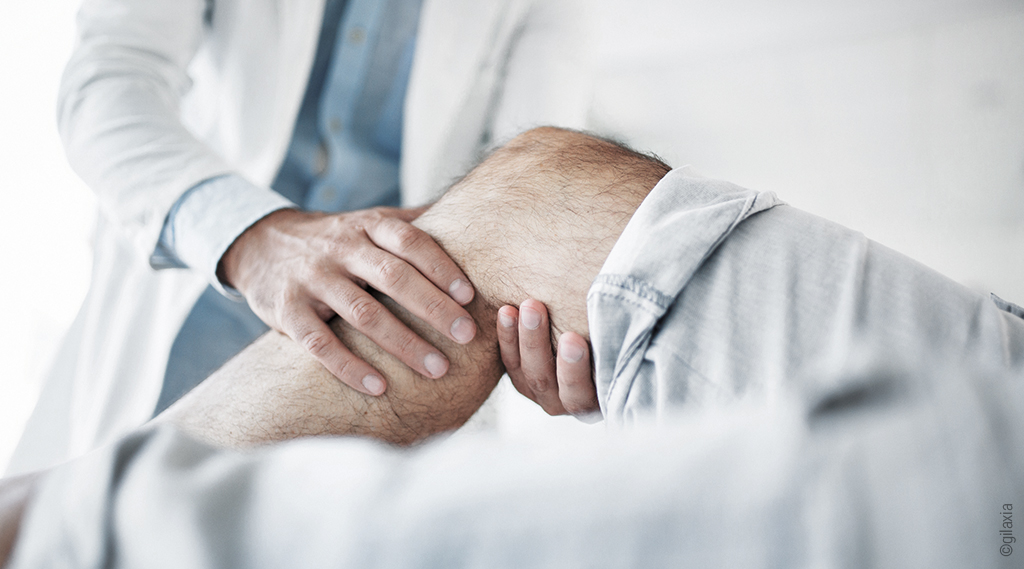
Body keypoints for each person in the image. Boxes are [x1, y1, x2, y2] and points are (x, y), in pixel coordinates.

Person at [2, 127, 1021, 568]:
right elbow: (106, 92)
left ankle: (60, 526)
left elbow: (488, 200)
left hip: (374, 301)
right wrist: (247, 235)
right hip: (219, 273)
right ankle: (68, 523)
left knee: (525, 210)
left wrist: (562, 333)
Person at [7, 0, 596, 476]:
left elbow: (525, 170)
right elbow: (108, 81)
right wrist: (251, 236)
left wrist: (541, 312)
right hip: (199, 283)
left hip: (392, 340)